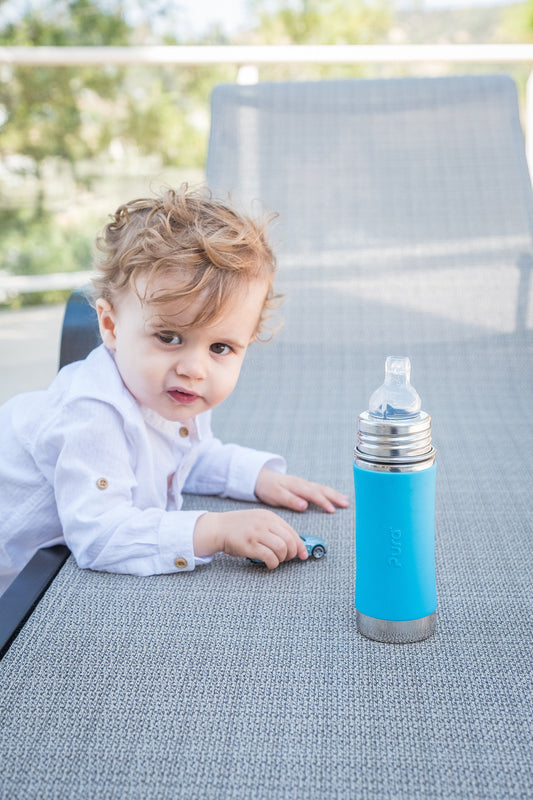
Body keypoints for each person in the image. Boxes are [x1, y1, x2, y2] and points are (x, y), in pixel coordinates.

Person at [0, 185, 348, 595]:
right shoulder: (92, 412)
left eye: (221, 347)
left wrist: (254, 477)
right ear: (111, 326)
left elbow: (182, 457)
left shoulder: (169, 391)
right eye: (169, 337)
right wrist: (214, 530)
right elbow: (101, 536)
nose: (193, 368)